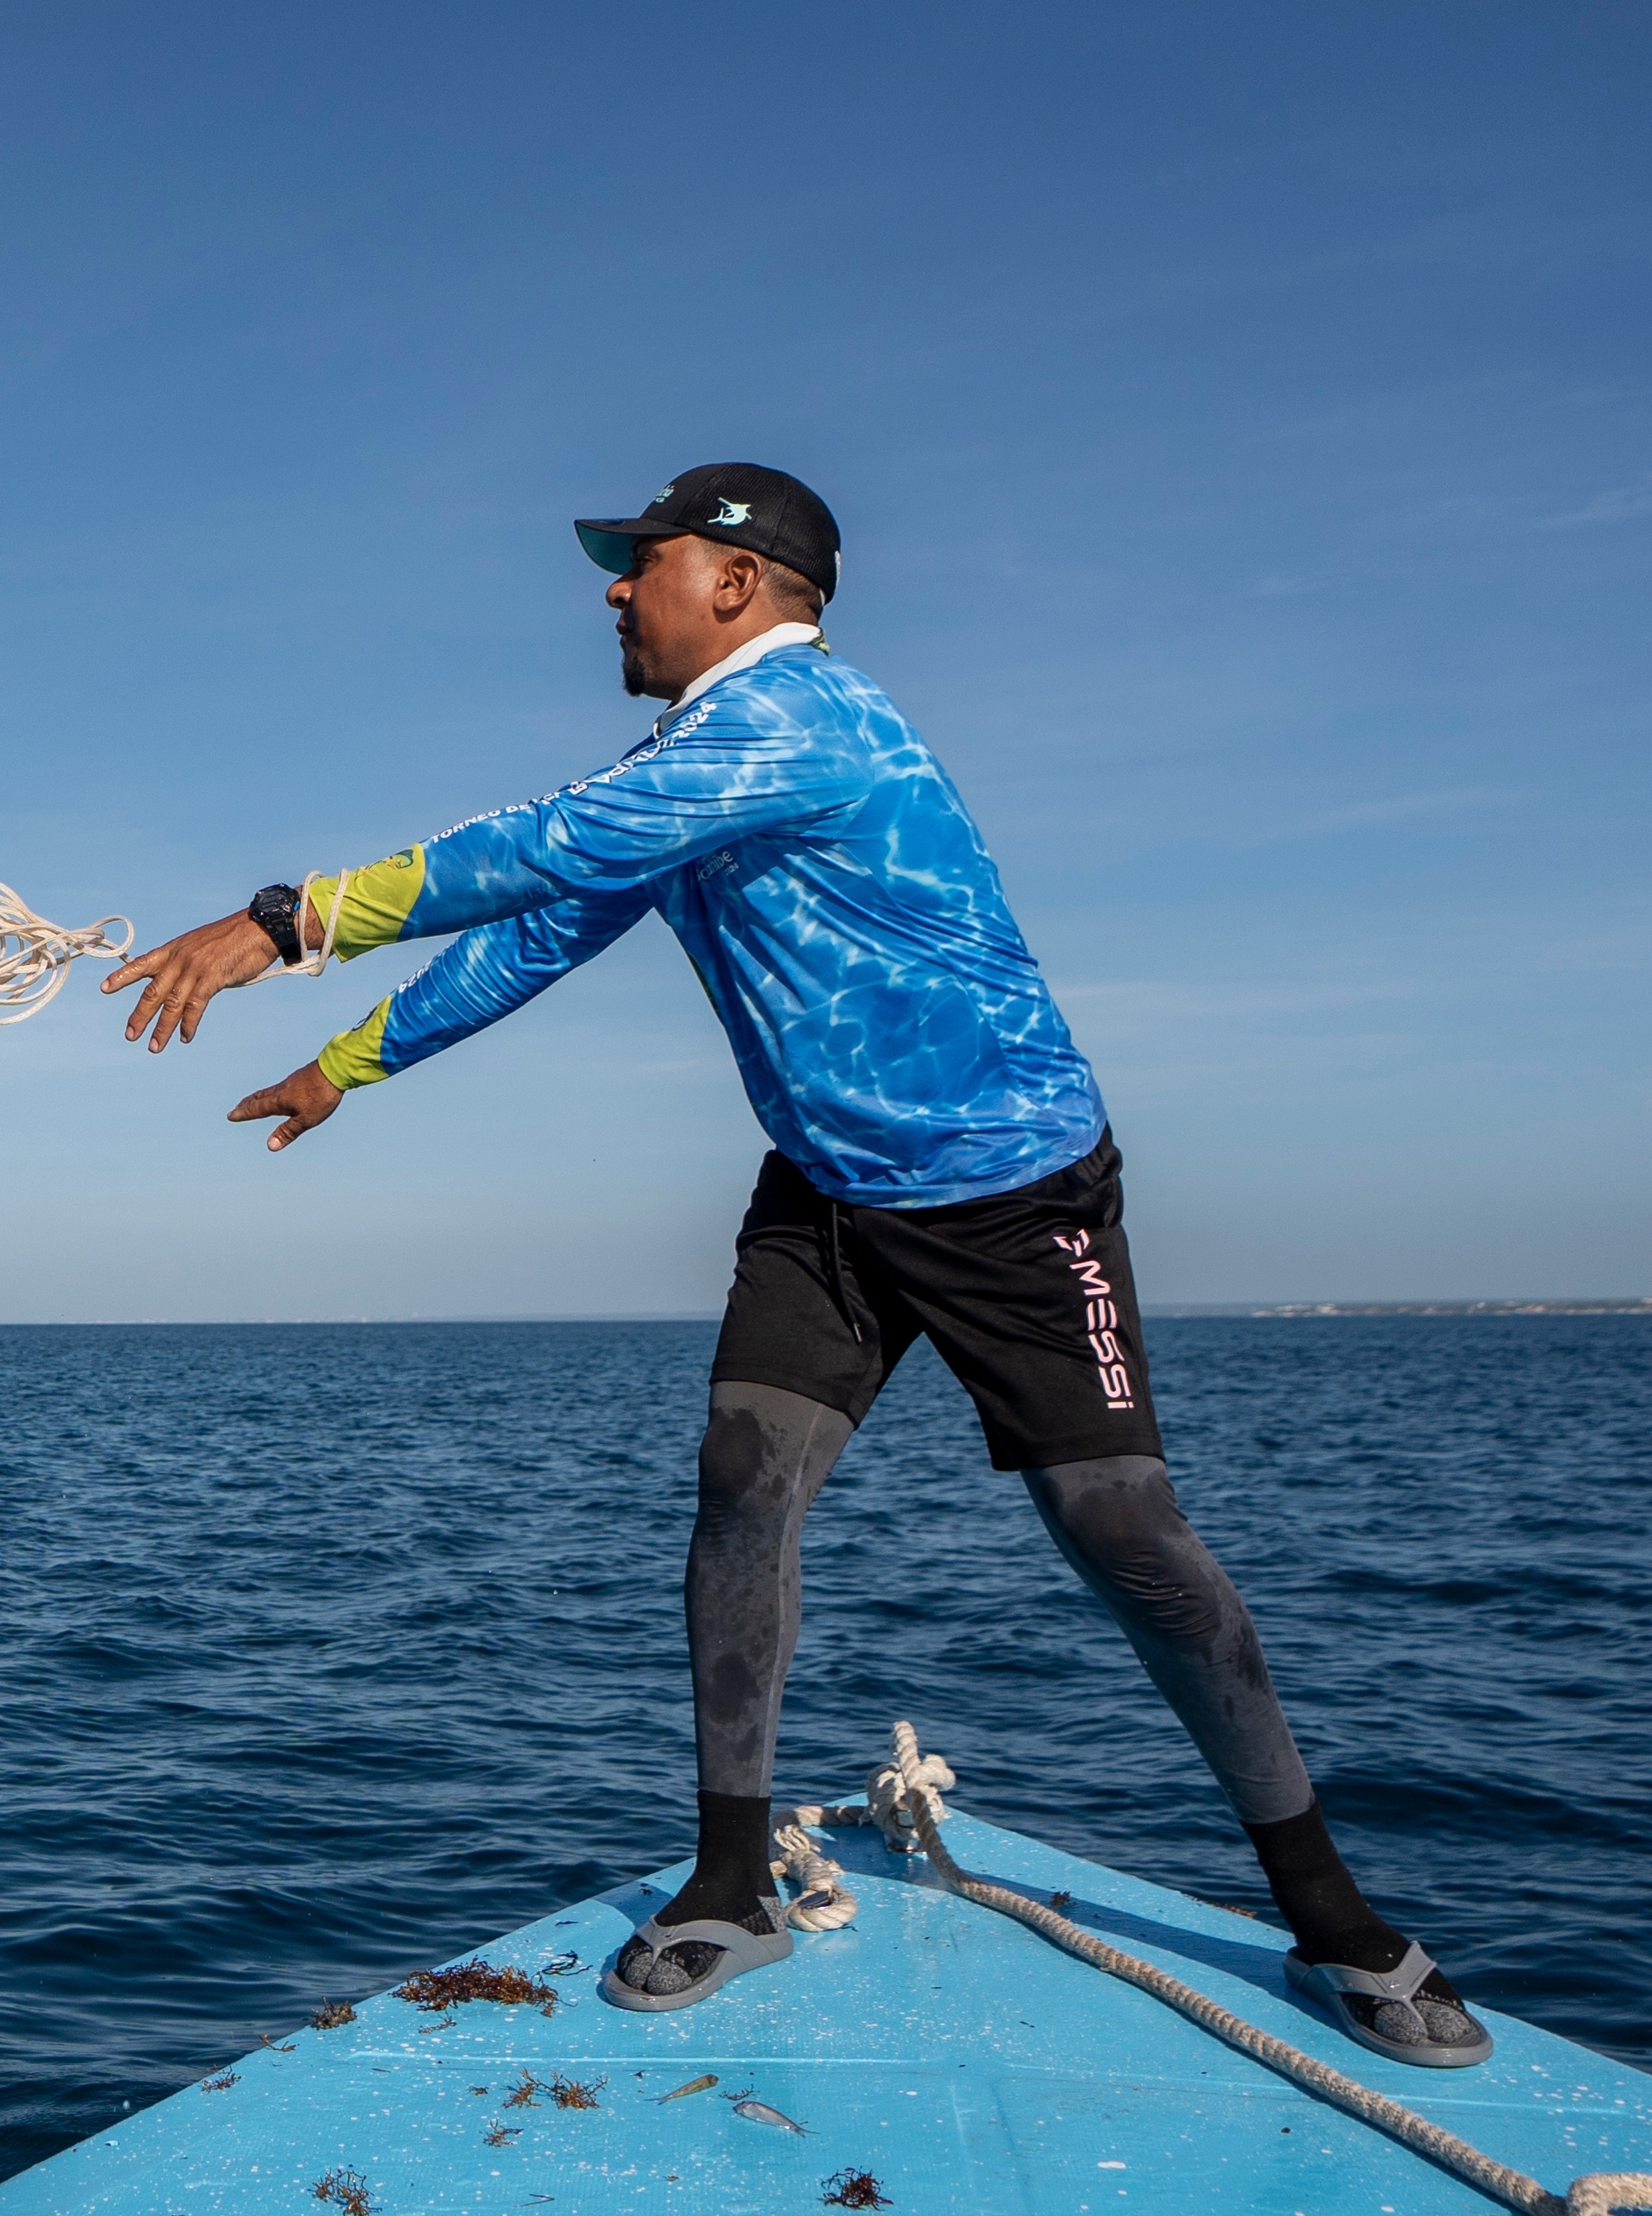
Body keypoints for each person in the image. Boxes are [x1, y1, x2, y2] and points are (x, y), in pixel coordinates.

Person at [97, 462, 1488, 2066]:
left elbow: (548, 842)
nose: (614, 590)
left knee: (1123, 1536)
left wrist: (283, 921)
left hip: (1007, 1194)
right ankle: (727, 1878)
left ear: (741, 586)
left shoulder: (799, 725)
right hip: (823, 1197)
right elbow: (548, 914)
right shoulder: (693, 759)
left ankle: (1334, 1917)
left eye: (644, 561)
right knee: (741, 1487)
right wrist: (353, 1060)